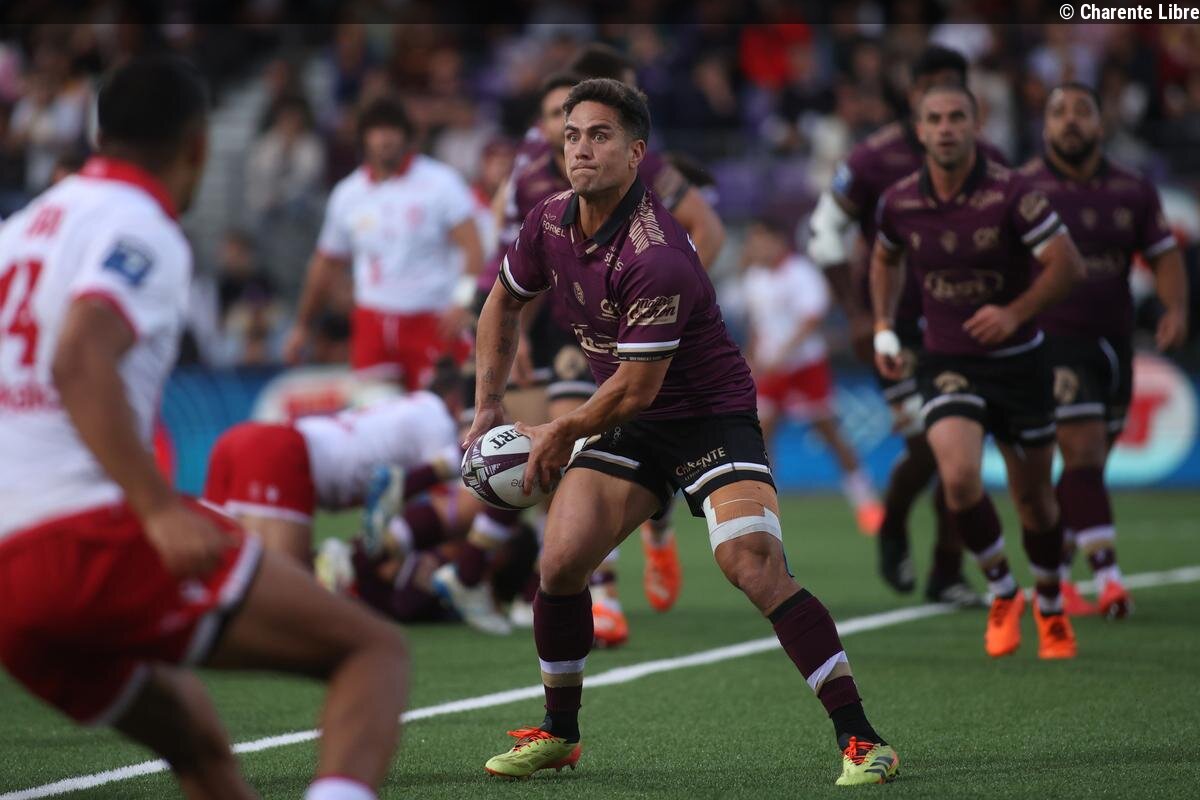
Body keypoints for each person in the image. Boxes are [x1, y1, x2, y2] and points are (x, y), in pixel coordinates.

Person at [469, 78, 898, 786]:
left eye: (600, 135)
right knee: (561, 562)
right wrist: (488, 406)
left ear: (636, 153)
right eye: (572, 135)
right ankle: (559, 733)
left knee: (752, 565)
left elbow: (638, 387)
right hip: (629, 422)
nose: (581, 149)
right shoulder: (547, 221)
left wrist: (558, 430)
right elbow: (501, 303)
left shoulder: (656, 252)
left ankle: (861, 738)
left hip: (707, 416)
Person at [0, 55, 406, 800]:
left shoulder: (21, 228)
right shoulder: (141, 225)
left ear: (98, 133)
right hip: (84, 537)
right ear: (198, 144)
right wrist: (157, 508)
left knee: (200, 747)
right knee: (372, 652)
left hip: (7, 574)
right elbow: (80, 357)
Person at [871, 84, 1086, 660]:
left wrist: (1014, 312)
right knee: (960, 478)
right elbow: (885, 256)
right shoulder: (899, 201)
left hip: (1020, 365)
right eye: (935, 119)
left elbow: (1067, 264)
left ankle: (1050, 604)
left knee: (1035, 501)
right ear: (920, 130)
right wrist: (884, 326)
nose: (945, 128)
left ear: (975, 125)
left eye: (956, 117)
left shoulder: (1013, 193)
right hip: (946, 361)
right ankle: (1002, 590)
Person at [809, 45, 1000, 605]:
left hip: (968, 326)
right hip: (898, 328)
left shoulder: (991, 162)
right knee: (929, 447)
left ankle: (946, 572)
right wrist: (859, 314)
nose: (941, 106)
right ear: (912, 95)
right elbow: (822, 232)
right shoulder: (874, 159)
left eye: (952, 89)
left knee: (959, 456)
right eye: (929, 87)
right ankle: (894, 525)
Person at [1021, 83, 1188, 617]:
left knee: (1087, 465)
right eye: (1059, 112)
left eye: (1081, 111)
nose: (1070, 120)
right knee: (1084, 451)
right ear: (1045, 125)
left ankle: (1057, 578)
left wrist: (1176, 308)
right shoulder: (1024, 189)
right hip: (1052, 341)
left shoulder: (1132, 188)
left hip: (1115, 343)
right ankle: (1109, 578)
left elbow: (1163, 254)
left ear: (1100, 121)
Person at [285, 95, 484, 390]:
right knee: (375, 413)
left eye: (393, 129)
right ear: (364, 138)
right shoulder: (348, 194)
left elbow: (474, 248)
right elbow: (325, 264)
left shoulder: (440, 182)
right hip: (372, 323)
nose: (385, 138)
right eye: (376, 130)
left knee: (439, 411)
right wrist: (303, 326)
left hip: (431, 319)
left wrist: (463, 302)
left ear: (406, 135)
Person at [204, 376, 464, 564]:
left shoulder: (414, 405)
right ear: (455, 402)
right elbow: (453, 511)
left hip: (239, 439)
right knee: (282, 591)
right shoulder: (440, 421)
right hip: (281, 451)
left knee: (218, 571)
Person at [740, 217, 884, 535]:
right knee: (761, 435)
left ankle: (866, 502)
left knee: (830, 432)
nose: (755, 247)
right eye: (753, 241)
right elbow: (757, 325)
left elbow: (811, 319)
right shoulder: (754, 278)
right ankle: (765, 508)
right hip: (772, 371)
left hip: (805, 366)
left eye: (761, 240)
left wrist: (783, 353)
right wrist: (752, 357)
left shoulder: (800, 273)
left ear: (778, 241)